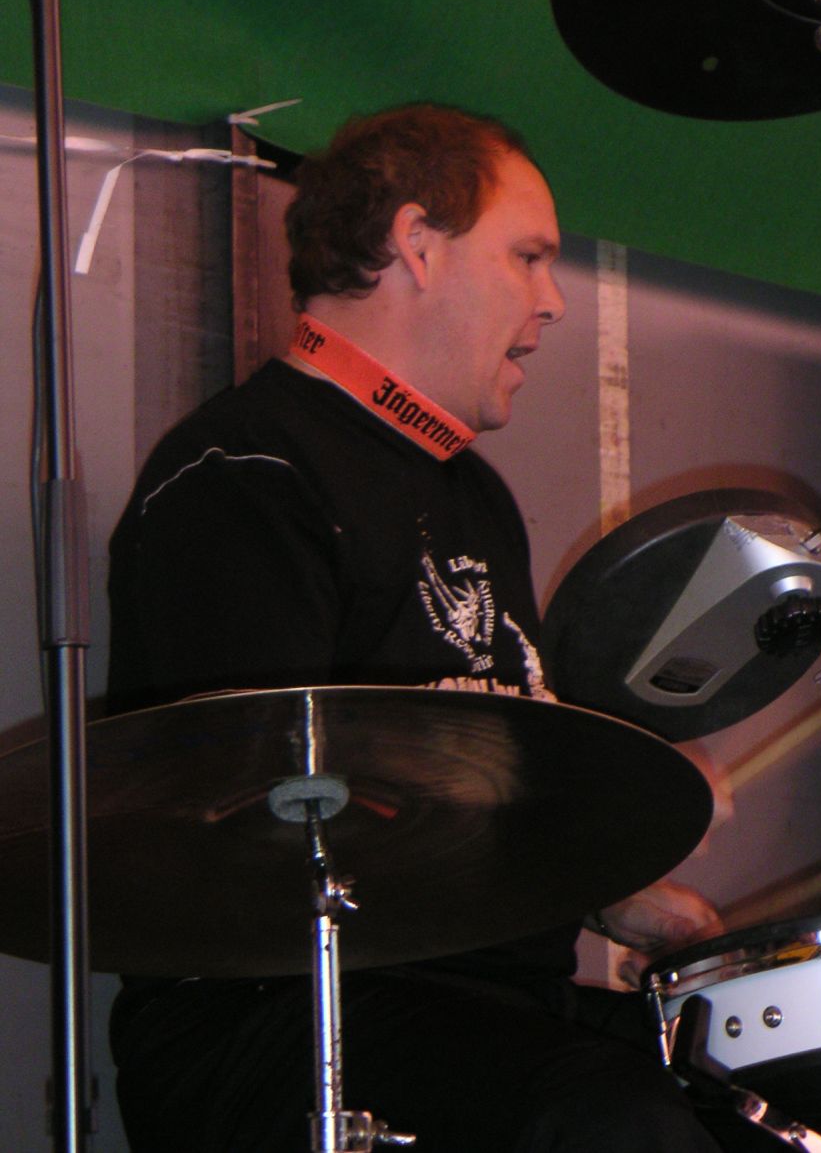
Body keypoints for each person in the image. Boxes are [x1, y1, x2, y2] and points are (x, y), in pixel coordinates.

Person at [105, 103, 726, 1153]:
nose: (553, 301)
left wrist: (612, 880)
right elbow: (259, 831)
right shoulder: (248, 475)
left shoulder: (469, 492)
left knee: (773, 1103)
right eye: (528, 257)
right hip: (278, 1019)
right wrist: (577, 850)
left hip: (479, 1004)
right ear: (417, 245)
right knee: (615, 1124)